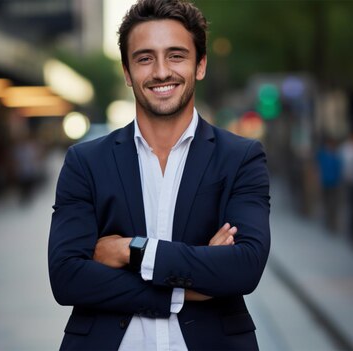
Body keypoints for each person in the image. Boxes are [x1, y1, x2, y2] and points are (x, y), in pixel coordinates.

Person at [48, 1, 271, 350]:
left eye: (176, 55)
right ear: (126, 71)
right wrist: (187, 287)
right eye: (145, 58)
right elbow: (66, 278)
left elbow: (244, 267)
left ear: (200, 65)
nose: (161, 71)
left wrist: (131, 251)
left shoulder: (240, 158)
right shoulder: (85, 161)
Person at [317, 137, 343, 233]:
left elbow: (339, 169)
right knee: (327, 202)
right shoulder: (323, 155)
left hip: (334, 183)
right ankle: (328, 220)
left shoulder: (335, 156)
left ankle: (333, 221)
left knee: (334, 203)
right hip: (325, 182)